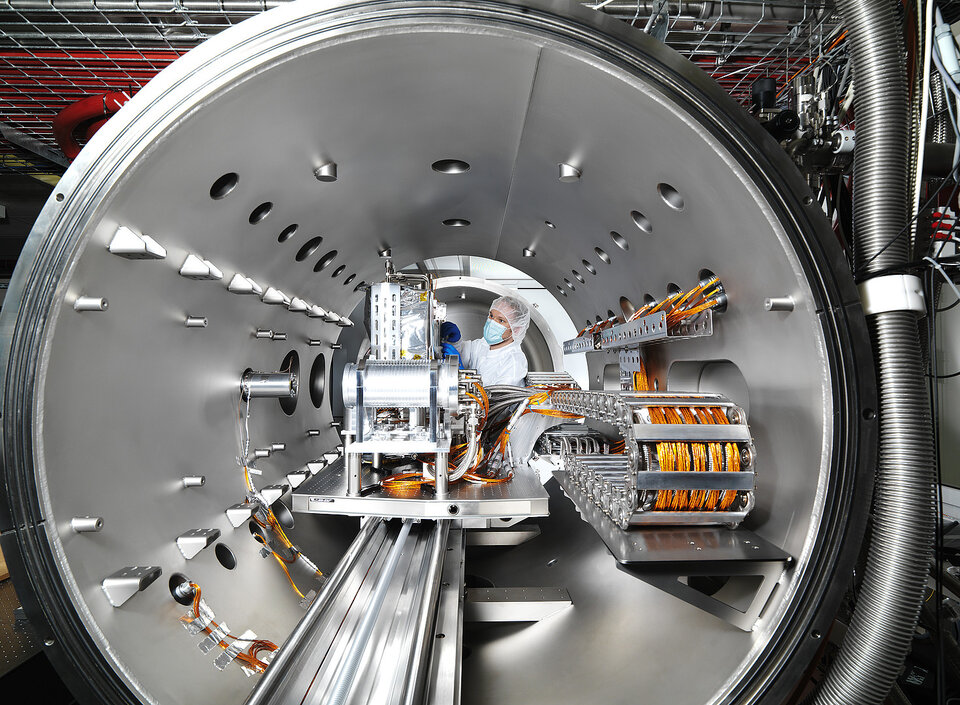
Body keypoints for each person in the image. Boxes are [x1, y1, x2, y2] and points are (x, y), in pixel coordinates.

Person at [440, 295, 530, 387]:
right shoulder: (483, 344)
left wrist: (463, 376)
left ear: (516, 329)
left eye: (501, 320)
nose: (492, 322)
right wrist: (455, 342)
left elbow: (498, 398)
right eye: (491, 316)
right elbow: (464, 355)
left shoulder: (514, 362)